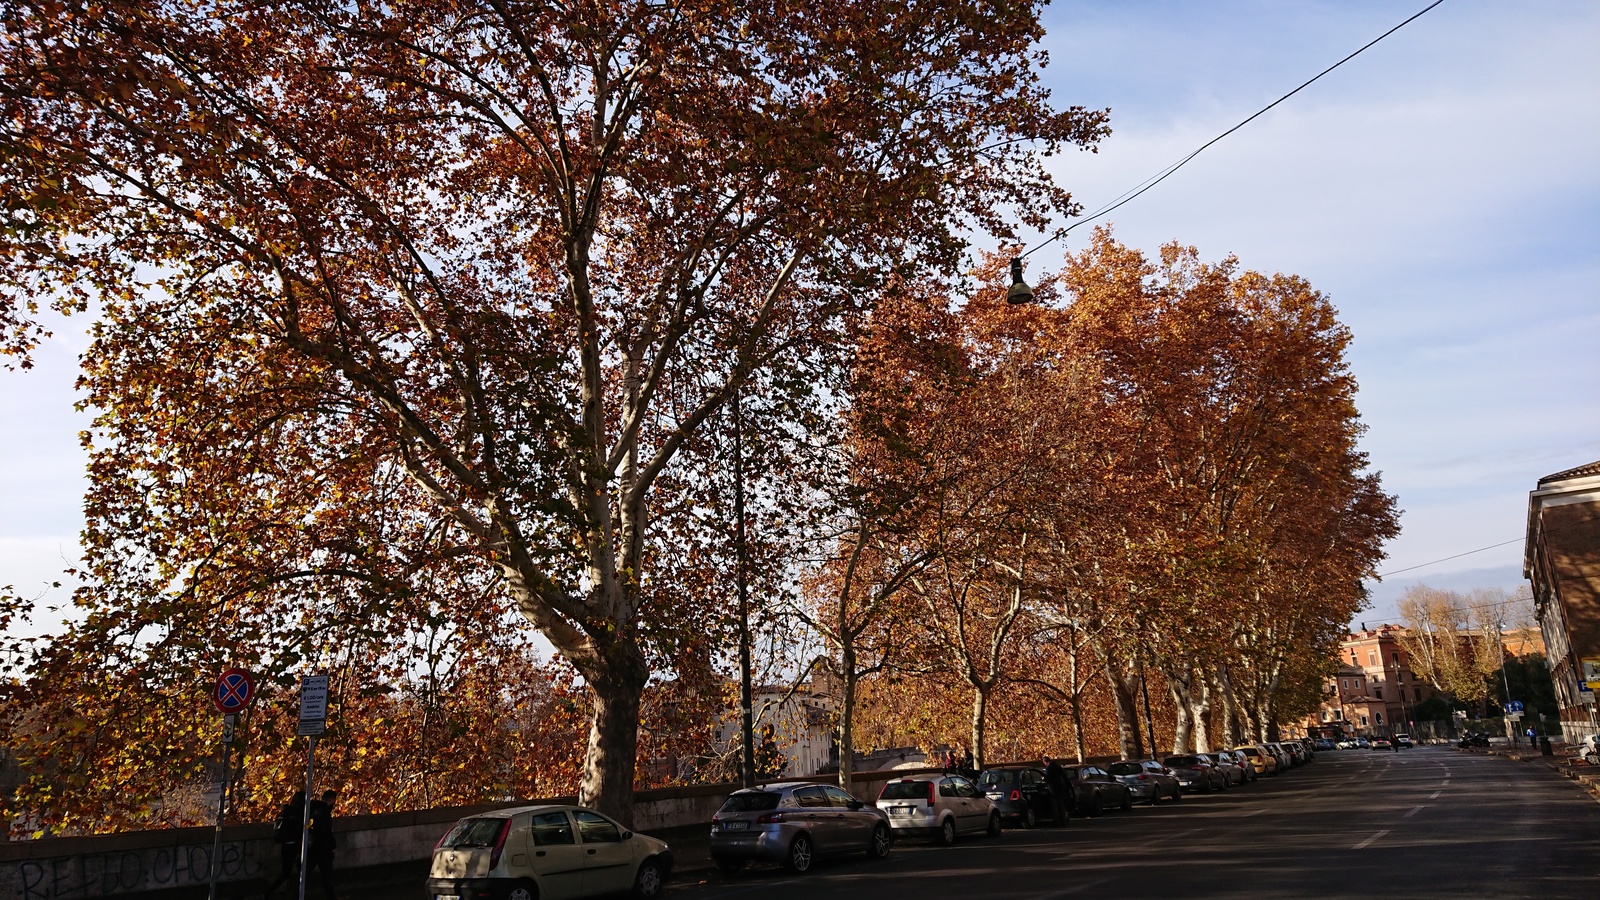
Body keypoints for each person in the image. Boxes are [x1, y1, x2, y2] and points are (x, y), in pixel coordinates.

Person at [262, 791, 305, 900]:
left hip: (285, 845)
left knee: (286, 872)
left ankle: (270, 891)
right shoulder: (299, 812)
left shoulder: (287, 811)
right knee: (302, 871)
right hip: (294, 845)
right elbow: (299, 831)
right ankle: (296, 893)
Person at [306, 789, 339, 899]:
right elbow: (326, 832)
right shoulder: (324, 812)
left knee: (306, 876)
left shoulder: (311, 810)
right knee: (327, 877)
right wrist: (332, 846)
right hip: (322, 850)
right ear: (331, 800)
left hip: (311, 847)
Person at [1042, 758, 1070, 825]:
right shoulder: (1057, 766)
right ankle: (1063, 820)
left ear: (1045, 762)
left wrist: (1043, 779)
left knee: (1054, 805)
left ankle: (1057, 820)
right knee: (1061, 804)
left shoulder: (1048, 768)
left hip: (1052, 789)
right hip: (1060, 787)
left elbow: (1047, 778)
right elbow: (1064, 776)